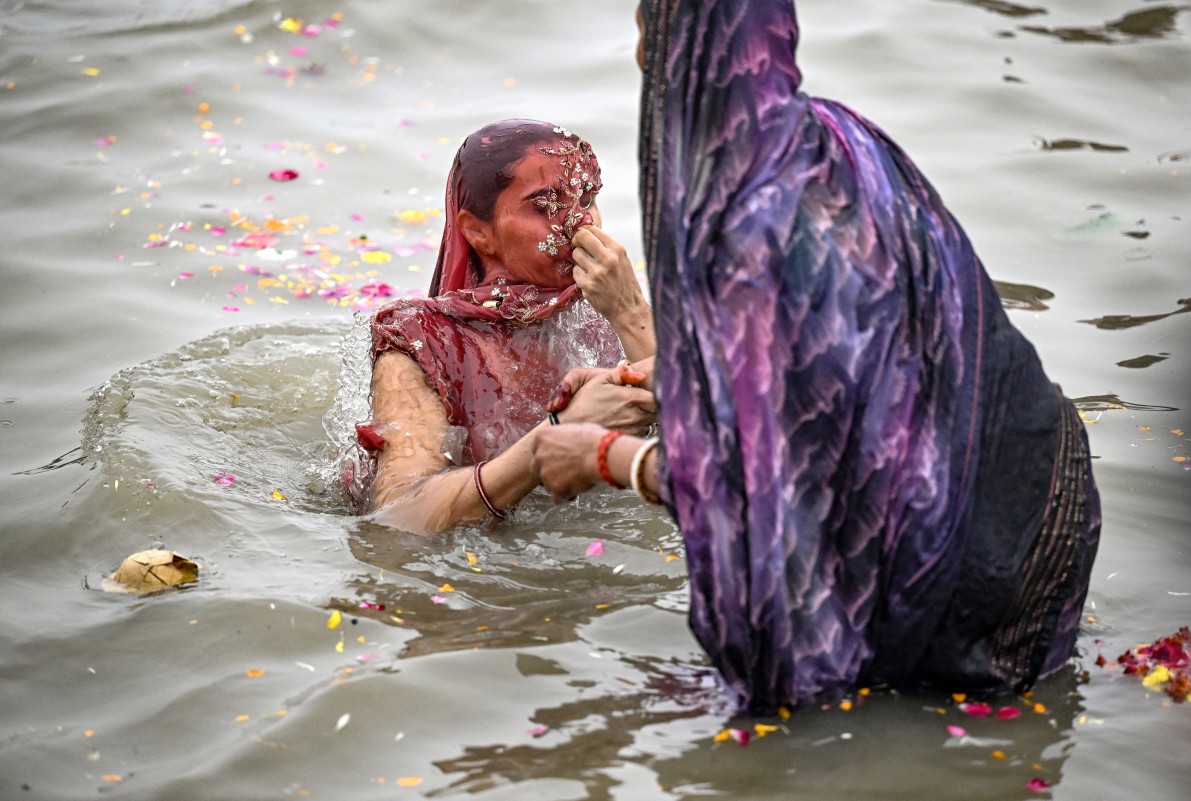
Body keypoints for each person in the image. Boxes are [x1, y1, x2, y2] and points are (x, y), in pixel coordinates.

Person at [532, 1, 1101, 713]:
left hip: (957, 569)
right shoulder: (834, 133)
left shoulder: (742, 221)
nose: (644, 54)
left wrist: (606, 457)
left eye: (654, 26)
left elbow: (753, 495)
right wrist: (691, 380)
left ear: (689, 48)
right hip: (1035, 490)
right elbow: (864, 364)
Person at [357, 119, 656, 534]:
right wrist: (556, 437)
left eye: (586, 199)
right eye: (545, 205)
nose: (579, 226)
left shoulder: (608, 319)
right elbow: (400, 516)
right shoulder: (422, 339)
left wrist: (632, 315)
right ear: (478, 233)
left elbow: (718, 457)